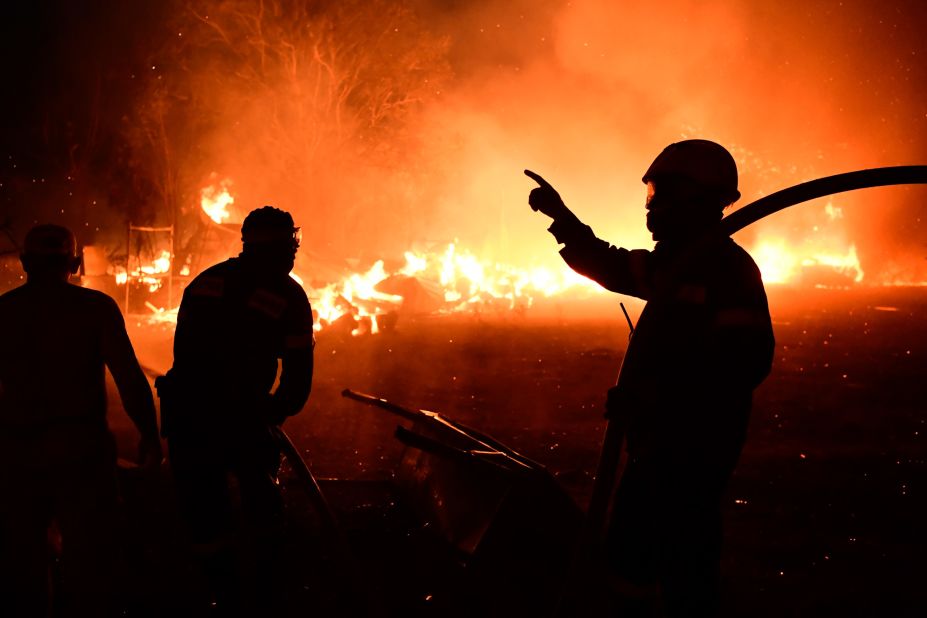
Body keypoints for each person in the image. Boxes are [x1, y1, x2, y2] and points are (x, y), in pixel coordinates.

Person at [527, 139, 775, 616]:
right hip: (658, 446)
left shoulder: (728, 271)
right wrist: (561, 218)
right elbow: (610, 264)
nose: (652, 206)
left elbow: (741, 365)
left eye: (663, 194)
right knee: (632, 552)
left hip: (695, 450)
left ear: (698, 200)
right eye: (653, 193)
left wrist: (654, 400)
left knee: (679, 556)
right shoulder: (674, 264)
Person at [158, 205, 314, 613]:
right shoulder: (287, 294)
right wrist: (273, 413)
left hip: (187, 414)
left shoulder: (207, 281)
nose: (294, 252)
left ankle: (218, 592)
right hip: (242, 417)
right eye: (290, 244)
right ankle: (266, 593)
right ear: (284, 246)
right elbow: (297, 380)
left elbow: (183, 353)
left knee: (203, 509)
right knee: (262, 504)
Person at [0, 224, 162, 617]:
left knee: (25, 562)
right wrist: (151, 435)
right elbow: (128, 376)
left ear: (24, 263)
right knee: (91, 560)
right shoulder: (95, 309)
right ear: (74, 263)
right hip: (82, 451)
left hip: (19, 453)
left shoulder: (4, 312)